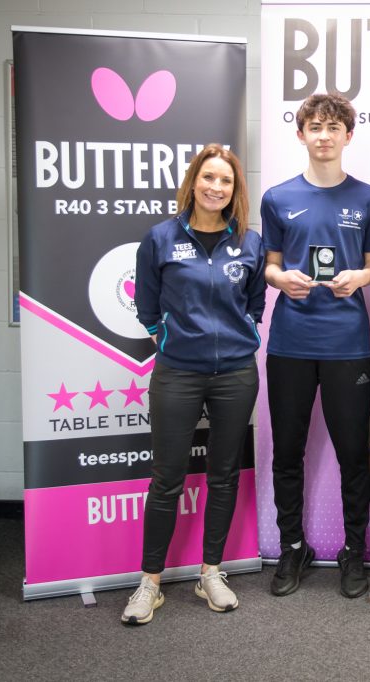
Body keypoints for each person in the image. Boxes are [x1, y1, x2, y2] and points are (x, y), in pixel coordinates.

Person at [124, 144, 265, 625]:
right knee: (167, 478)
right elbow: (146, 307)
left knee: (224, 475)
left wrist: (241, 334)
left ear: (234, 189)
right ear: (193, 182)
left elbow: (255, 303)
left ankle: (211, 573)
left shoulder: (249, 242)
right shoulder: (160, 238)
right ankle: (150, 583)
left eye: (225, 180)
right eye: (208, 177)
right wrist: (168, 337)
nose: (215, 187)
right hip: (178, 372)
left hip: (236, 374)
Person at [261, 93, 370, 599]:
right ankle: (293, 547)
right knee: (287, 451)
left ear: (348, 136)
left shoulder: (369, 198)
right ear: (301, 135)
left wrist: (361, 277)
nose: (325, 135)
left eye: (334, 127)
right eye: (315, 127)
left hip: (347, 345)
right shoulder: (277, 197)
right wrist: (279, 279)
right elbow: (269, 264)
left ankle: (354, 550)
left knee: (353, 452)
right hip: (290, 342)